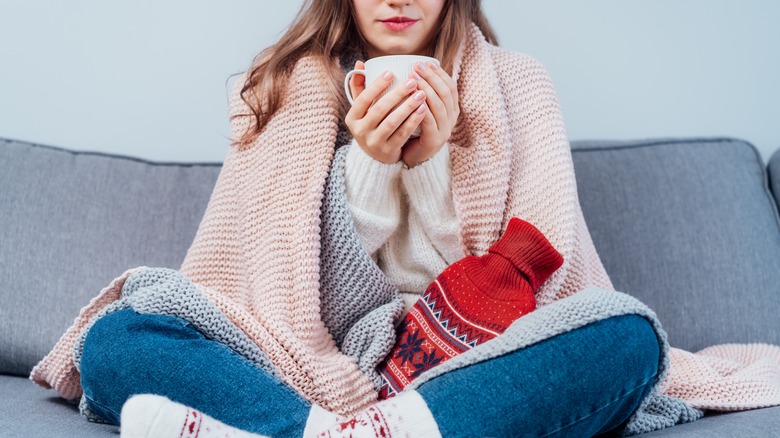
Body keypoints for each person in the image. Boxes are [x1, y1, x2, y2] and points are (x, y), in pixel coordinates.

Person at [32, 1, 665, 437]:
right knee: (116, 338)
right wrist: (366, 169)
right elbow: (286, 303)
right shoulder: (279, 86)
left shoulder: (521, 85)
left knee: (627, 337)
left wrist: (432, 166)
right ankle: (348, 431)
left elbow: (522, 292)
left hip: (466, 364)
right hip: (304, 366)